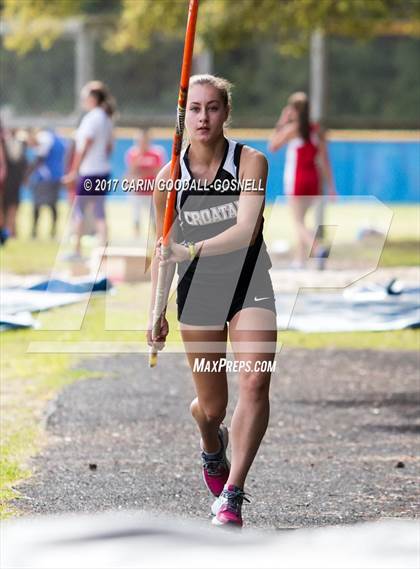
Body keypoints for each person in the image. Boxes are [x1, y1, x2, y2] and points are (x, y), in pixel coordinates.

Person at [147, 74, 277, 528]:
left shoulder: (250, 162)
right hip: (198, 294)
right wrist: (156, 312)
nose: (204, 117)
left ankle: (233, 494)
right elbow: (162, 253)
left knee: (256, 383)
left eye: (213, 108)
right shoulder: (168, 178)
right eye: (196, 109)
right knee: (213, 409)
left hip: (249, 284)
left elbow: (245, 229)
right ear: (184, 117)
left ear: (226, 112)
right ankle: (209, 440)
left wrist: (193, 250)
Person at [268, 92, 336, 269]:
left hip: (297, 179)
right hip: (314, 180)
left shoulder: (293, 129)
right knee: (302, 220)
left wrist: (282, 121)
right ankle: (300, 260)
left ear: (293, 110)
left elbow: (273, 146)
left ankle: (318, 248)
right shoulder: (317, 131)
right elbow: (325, 160)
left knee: (297, 222)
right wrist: (331, 187)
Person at [62, 81, 115, 258]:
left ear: (93, 98)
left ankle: (76, 250)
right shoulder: (107, 118)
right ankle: (103, 250)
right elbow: (109, 147)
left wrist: (74, 171)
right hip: (102, 169)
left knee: (79, 209)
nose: (83, 100)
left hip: (89, 171)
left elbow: (85, 145)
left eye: (85, 97)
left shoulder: (92, 117)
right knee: (99, 210)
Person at [124, 128, 166, 240]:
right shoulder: (133, 153)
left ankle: (156, 239)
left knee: (154, 218)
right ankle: (136, 239)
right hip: (138, 191)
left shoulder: (157, 153)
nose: (142, 143)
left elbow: (159, 170)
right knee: (136, 217)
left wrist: (142, 173)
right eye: (139, 140)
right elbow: (131, 172)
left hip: (152, 191)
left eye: (144, 140)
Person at [26, 128, 65, 239]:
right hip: (55, 176)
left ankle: (37, 232)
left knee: (39, 205)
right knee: (51, 205)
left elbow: (39, 159)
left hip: (45, 178)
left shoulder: (44, 138)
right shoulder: (57, 138)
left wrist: (27, 175)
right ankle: (50, 232)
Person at [2, 128, 27, 238]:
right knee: (11, 206)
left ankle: (8, 231)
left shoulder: (5, 144)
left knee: (9, 206)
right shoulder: (21, 144)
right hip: (12, 180)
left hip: (8, 181)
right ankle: (10, 231)